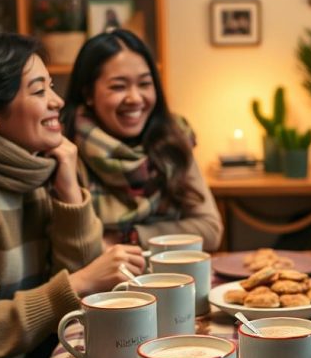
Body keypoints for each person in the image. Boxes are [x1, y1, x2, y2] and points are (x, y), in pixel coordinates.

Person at [0, 34, 145, 358]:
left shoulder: (30, 176)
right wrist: (77, 281)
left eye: (52, 87)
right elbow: (79, 281)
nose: (57, 102)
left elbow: (85, 295)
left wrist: (68, 183)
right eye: (39, 90)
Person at [62, 29, 223, 251]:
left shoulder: (172, 138)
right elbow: (74, 245)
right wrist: (174, 232)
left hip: (172, 279)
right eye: (118, 86)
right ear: (88, 94)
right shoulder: (65, 150)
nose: (135, 98)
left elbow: (209, 229)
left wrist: (130, 236)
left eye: (145, 84)